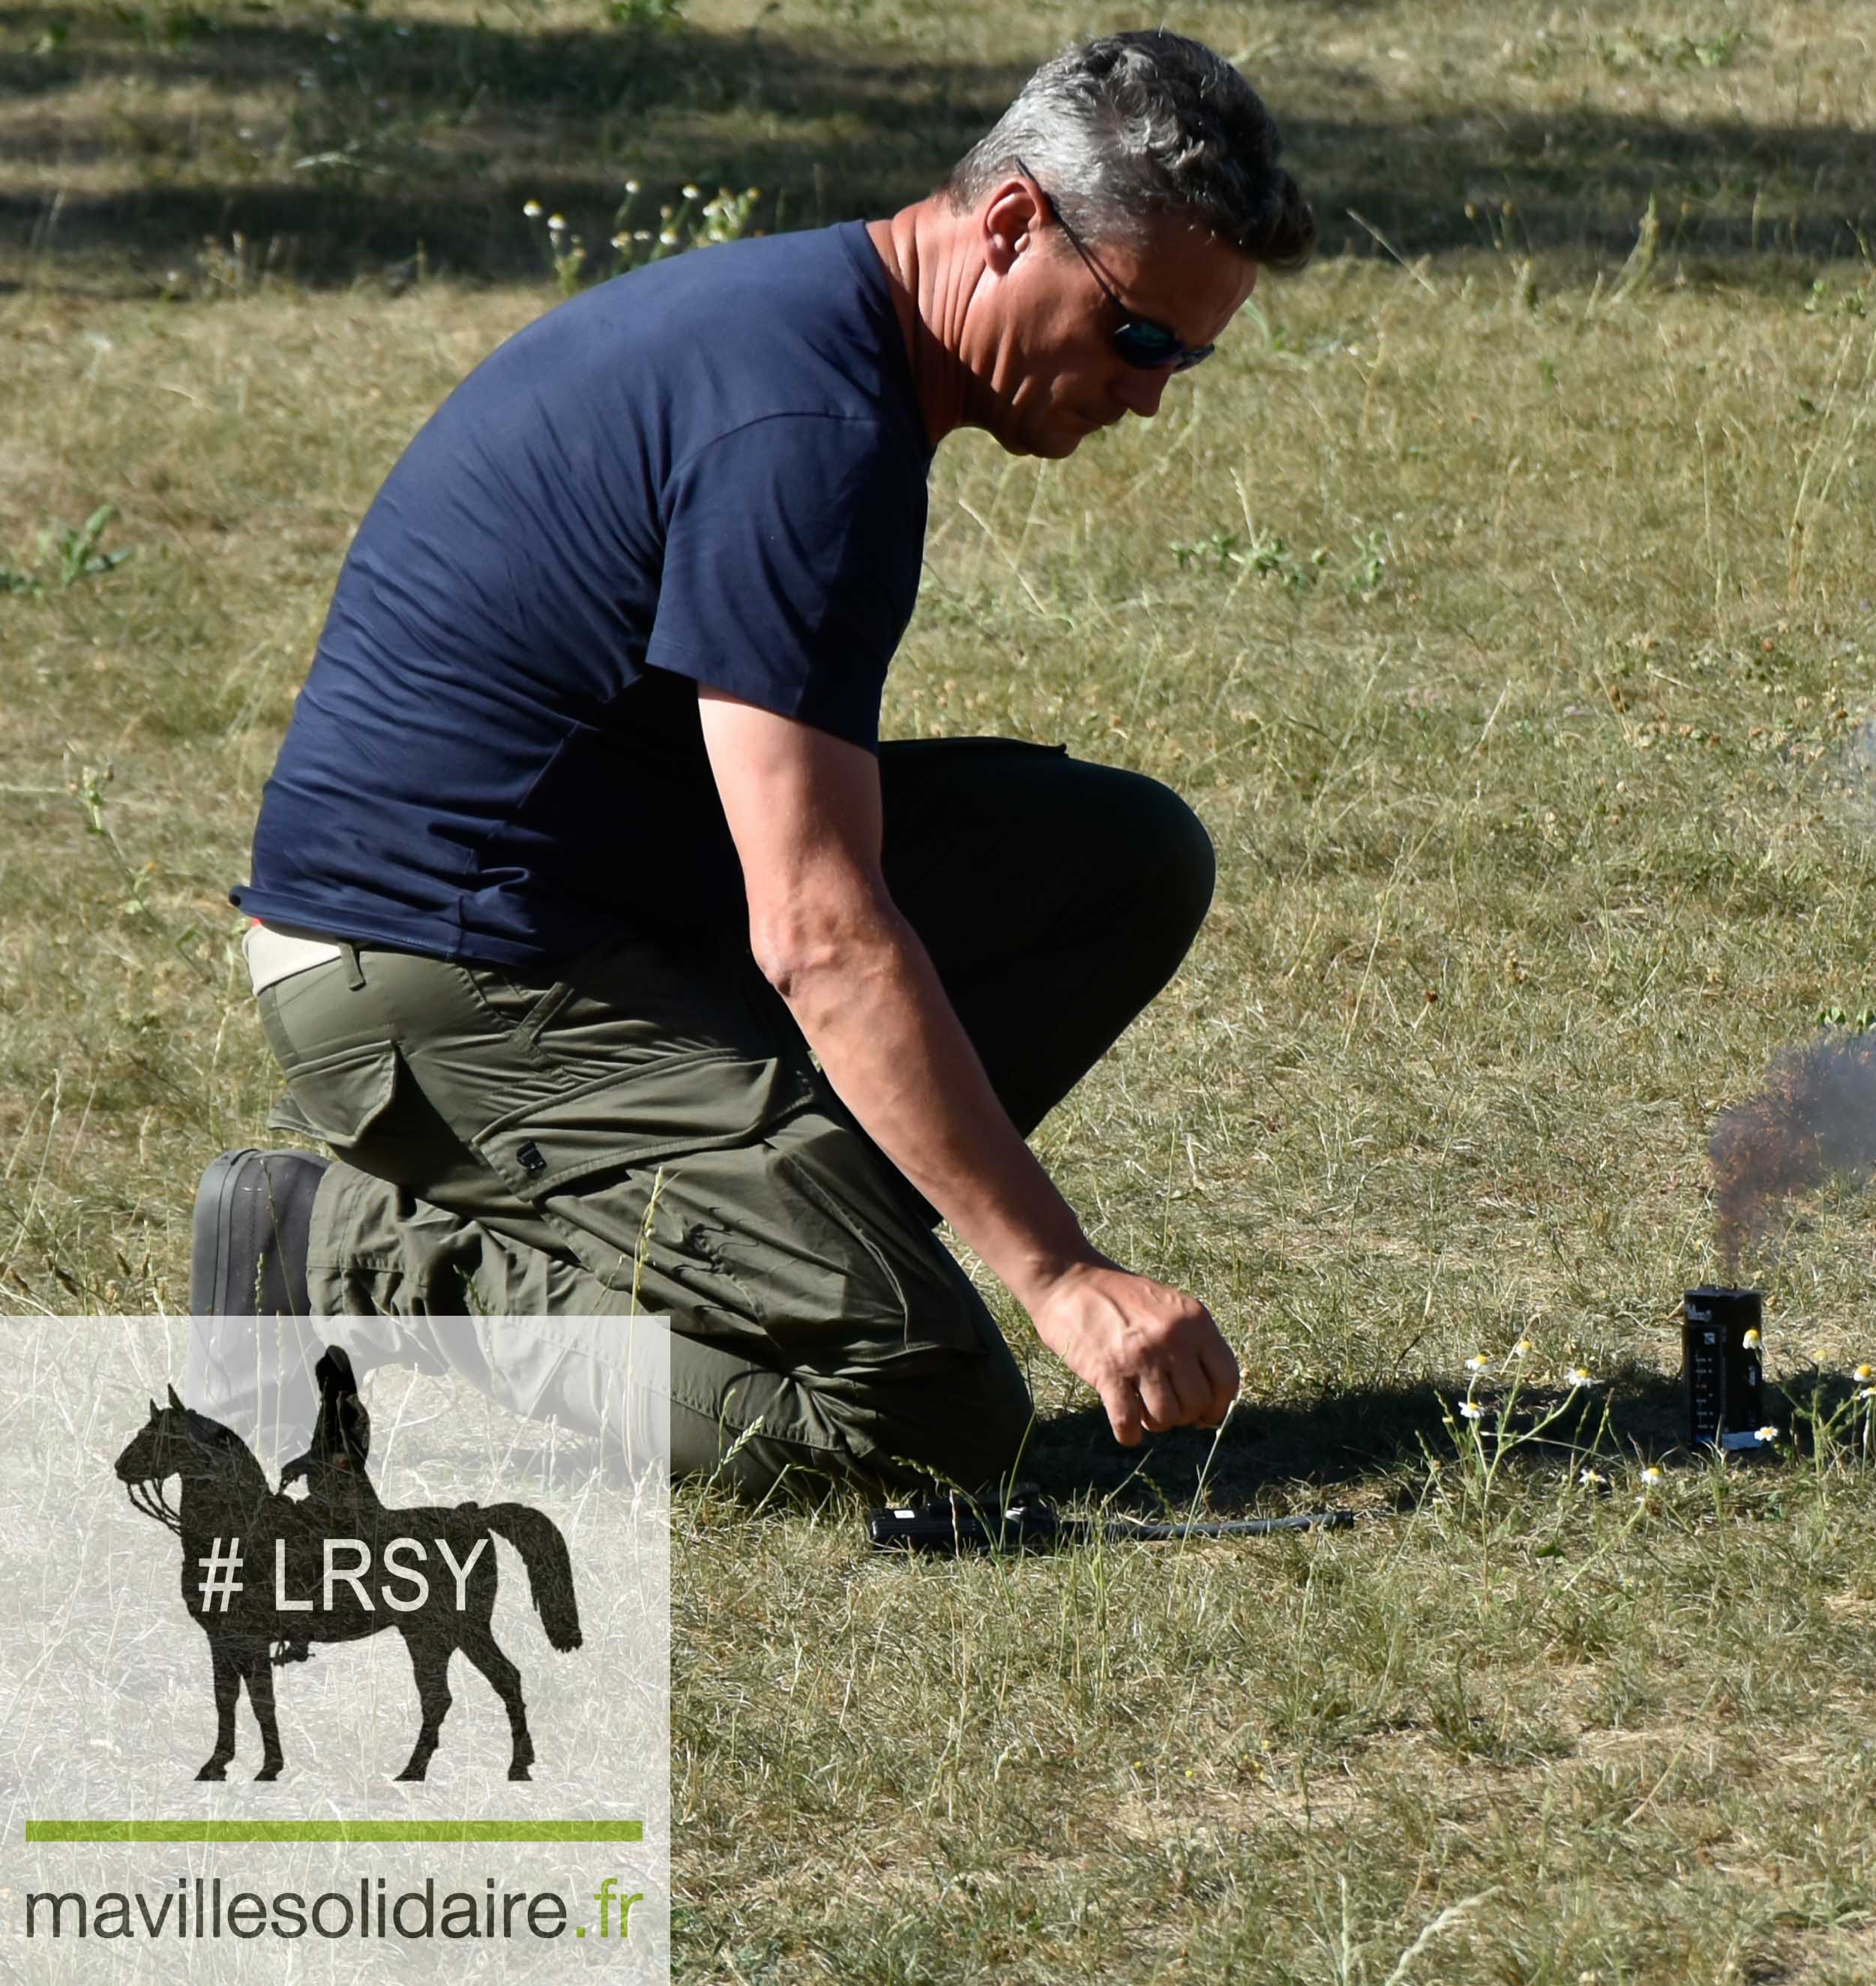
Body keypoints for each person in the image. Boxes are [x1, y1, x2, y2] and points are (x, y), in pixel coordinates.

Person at [188, 31, 1314, 1501]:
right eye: (1138, 336)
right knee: (927, 1416)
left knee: (1118, 859)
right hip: (429, 982)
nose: (1150, 393)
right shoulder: (812, 426)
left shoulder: (817, 335)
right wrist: (1057, 1271)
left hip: (583, 908)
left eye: (1190, 355)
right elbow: (820, 929)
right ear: (1012, 223)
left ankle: (787, 1237)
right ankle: (346, 1252)